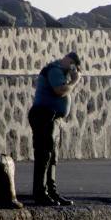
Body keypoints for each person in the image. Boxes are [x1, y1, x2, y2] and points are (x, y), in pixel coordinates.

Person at [28, 51, 82, 205]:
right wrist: (75, 81)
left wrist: (71, 79)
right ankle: (40, 193)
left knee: (52, 157)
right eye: (72, 65)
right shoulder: (55, 70)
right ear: (67, 60)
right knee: (44, 155)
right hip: (44, 115)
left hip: (53, 118)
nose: (73, 70)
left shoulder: (62, 73)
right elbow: (59, 91)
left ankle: (51, 191)